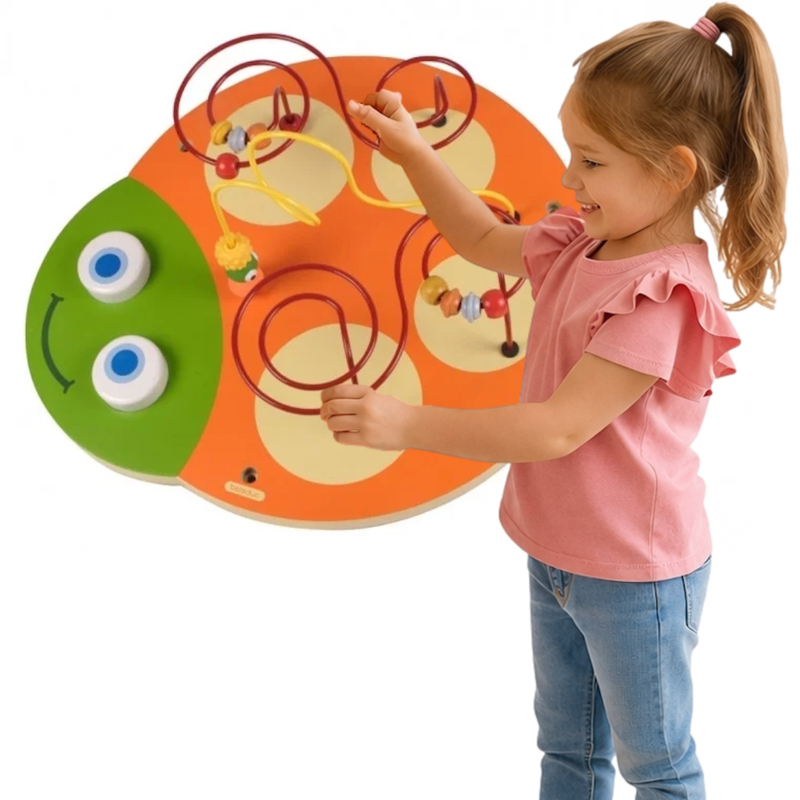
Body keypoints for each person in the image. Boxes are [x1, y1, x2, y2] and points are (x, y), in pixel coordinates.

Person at [319, 4, 787, 798]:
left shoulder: (662, 295)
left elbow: (557, 428)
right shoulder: (582, 241)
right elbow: (477, 240)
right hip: (557, 553)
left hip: (635, 575)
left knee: (658, 767)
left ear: (675, 169)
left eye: (591, 161)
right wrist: (415, 153)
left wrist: (404, 422)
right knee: (568, 752)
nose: (570, 178)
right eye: (573, 151)